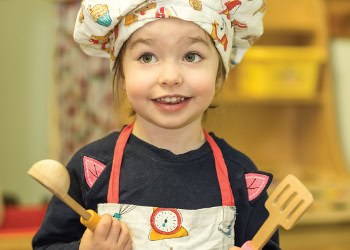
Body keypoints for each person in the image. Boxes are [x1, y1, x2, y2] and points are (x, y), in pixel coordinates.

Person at [33, 0, 279, 249]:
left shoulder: (242, 177)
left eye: (191, 56)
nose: (170, 77)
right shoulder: (91, 168)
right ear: (121, 73)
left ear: (219, 74)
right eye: (147, 57)